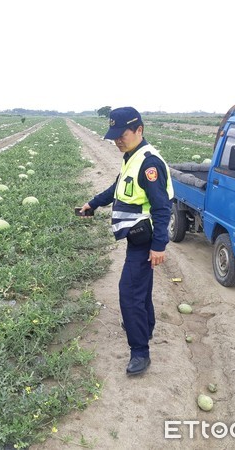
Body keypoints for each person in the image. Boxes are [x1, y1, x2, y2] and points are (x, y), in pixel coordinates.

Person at [79, 106, 173, 376]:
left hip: (145, 240)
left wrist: (159, 245)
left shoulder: (149, 163)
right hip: (136, 237)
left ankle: (140, 351)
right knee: (140, 290)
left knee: (129, 293)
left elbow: (162, 207)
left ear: (139, 130)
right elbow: (117, 189)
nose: (118, 139)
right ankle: (147, 326)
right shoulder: (132, 157)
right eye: (115, 135)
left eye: (123, 134)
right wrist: (92, 204)